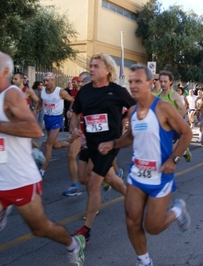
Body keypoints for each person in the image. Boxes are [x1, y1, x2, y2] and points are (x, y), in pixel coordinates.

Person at [0, 49, 85, 266]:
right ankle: (2, 209)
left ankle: (74, 243)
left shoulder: (11, 94)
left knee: (40, 228)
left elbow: (34, 130)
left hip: (21, 180)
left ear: (5, 72)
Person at [98, 64, 192, 266]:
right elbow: (130, 137)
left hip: (160, 177)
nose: (132, 85)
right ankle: (144, 261)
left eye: (138, 81)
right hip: (136, 176)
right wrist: (113, 143)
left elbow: (187, 133)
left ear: (151, 83)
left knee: (153, 227)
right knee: (131, 221)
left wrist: (174, 159)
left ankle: (177, 211)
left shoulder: (163, 108)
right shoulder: (132, 111)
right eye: (130, 81)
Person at [69, 53, 133, 243]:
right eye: (91, 65)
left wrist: (132, 126)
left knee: (93, 183)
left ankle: (86, 230)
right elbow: (75, 113)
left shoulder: (117, 91)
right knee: (86, 178)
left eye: (96, 66)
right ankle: (133, 197)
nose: (92, 69)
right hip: (90, 143)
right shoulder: (85, 91)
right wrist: (73, 129)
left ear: (107, 70)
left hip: (109, 144)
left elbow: (136, 108)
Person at [39, 72, 73, 177]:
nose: (45, 83)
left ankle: (42, 171)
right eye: (44, 80)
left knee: (48, 144)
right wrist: (35, 111)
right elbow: (40, 103)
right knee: (56, 145)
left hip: (57, 119)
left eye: (48, 80)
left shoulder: (60, 92)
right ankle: (75, 145)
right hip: (47, 118)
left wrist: (70, 110)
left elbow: (73, 100)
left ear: (53, 80)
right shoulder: (42, 92)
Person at [157, 71, 191, 162]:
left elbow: (183, 110)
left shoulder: (174, 95)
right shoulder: (158, 95)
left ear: (170, 82)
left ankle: (183, 150)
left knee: (170, 156)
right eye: (161, 81)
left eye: (165, 81)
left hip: (172, 128)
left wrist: (174, 122)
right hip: (161, 129)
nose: (163, 84)